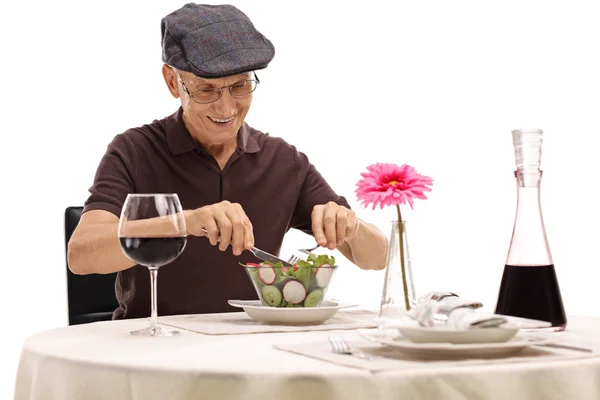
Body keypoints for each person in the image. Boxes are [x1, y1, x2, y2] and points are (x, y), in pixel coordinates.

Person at [67, 3, 388, 320]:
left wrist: (351, 226)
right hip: (154, 354)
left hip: (250, 352)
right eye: (206, 90)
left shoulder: (285, 161)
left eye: (240, 86)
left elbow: (378, 257)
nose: (225, 108)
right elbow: (81, 255)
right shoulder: (133, 150)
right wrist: (186, 223)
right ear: (172, 82)